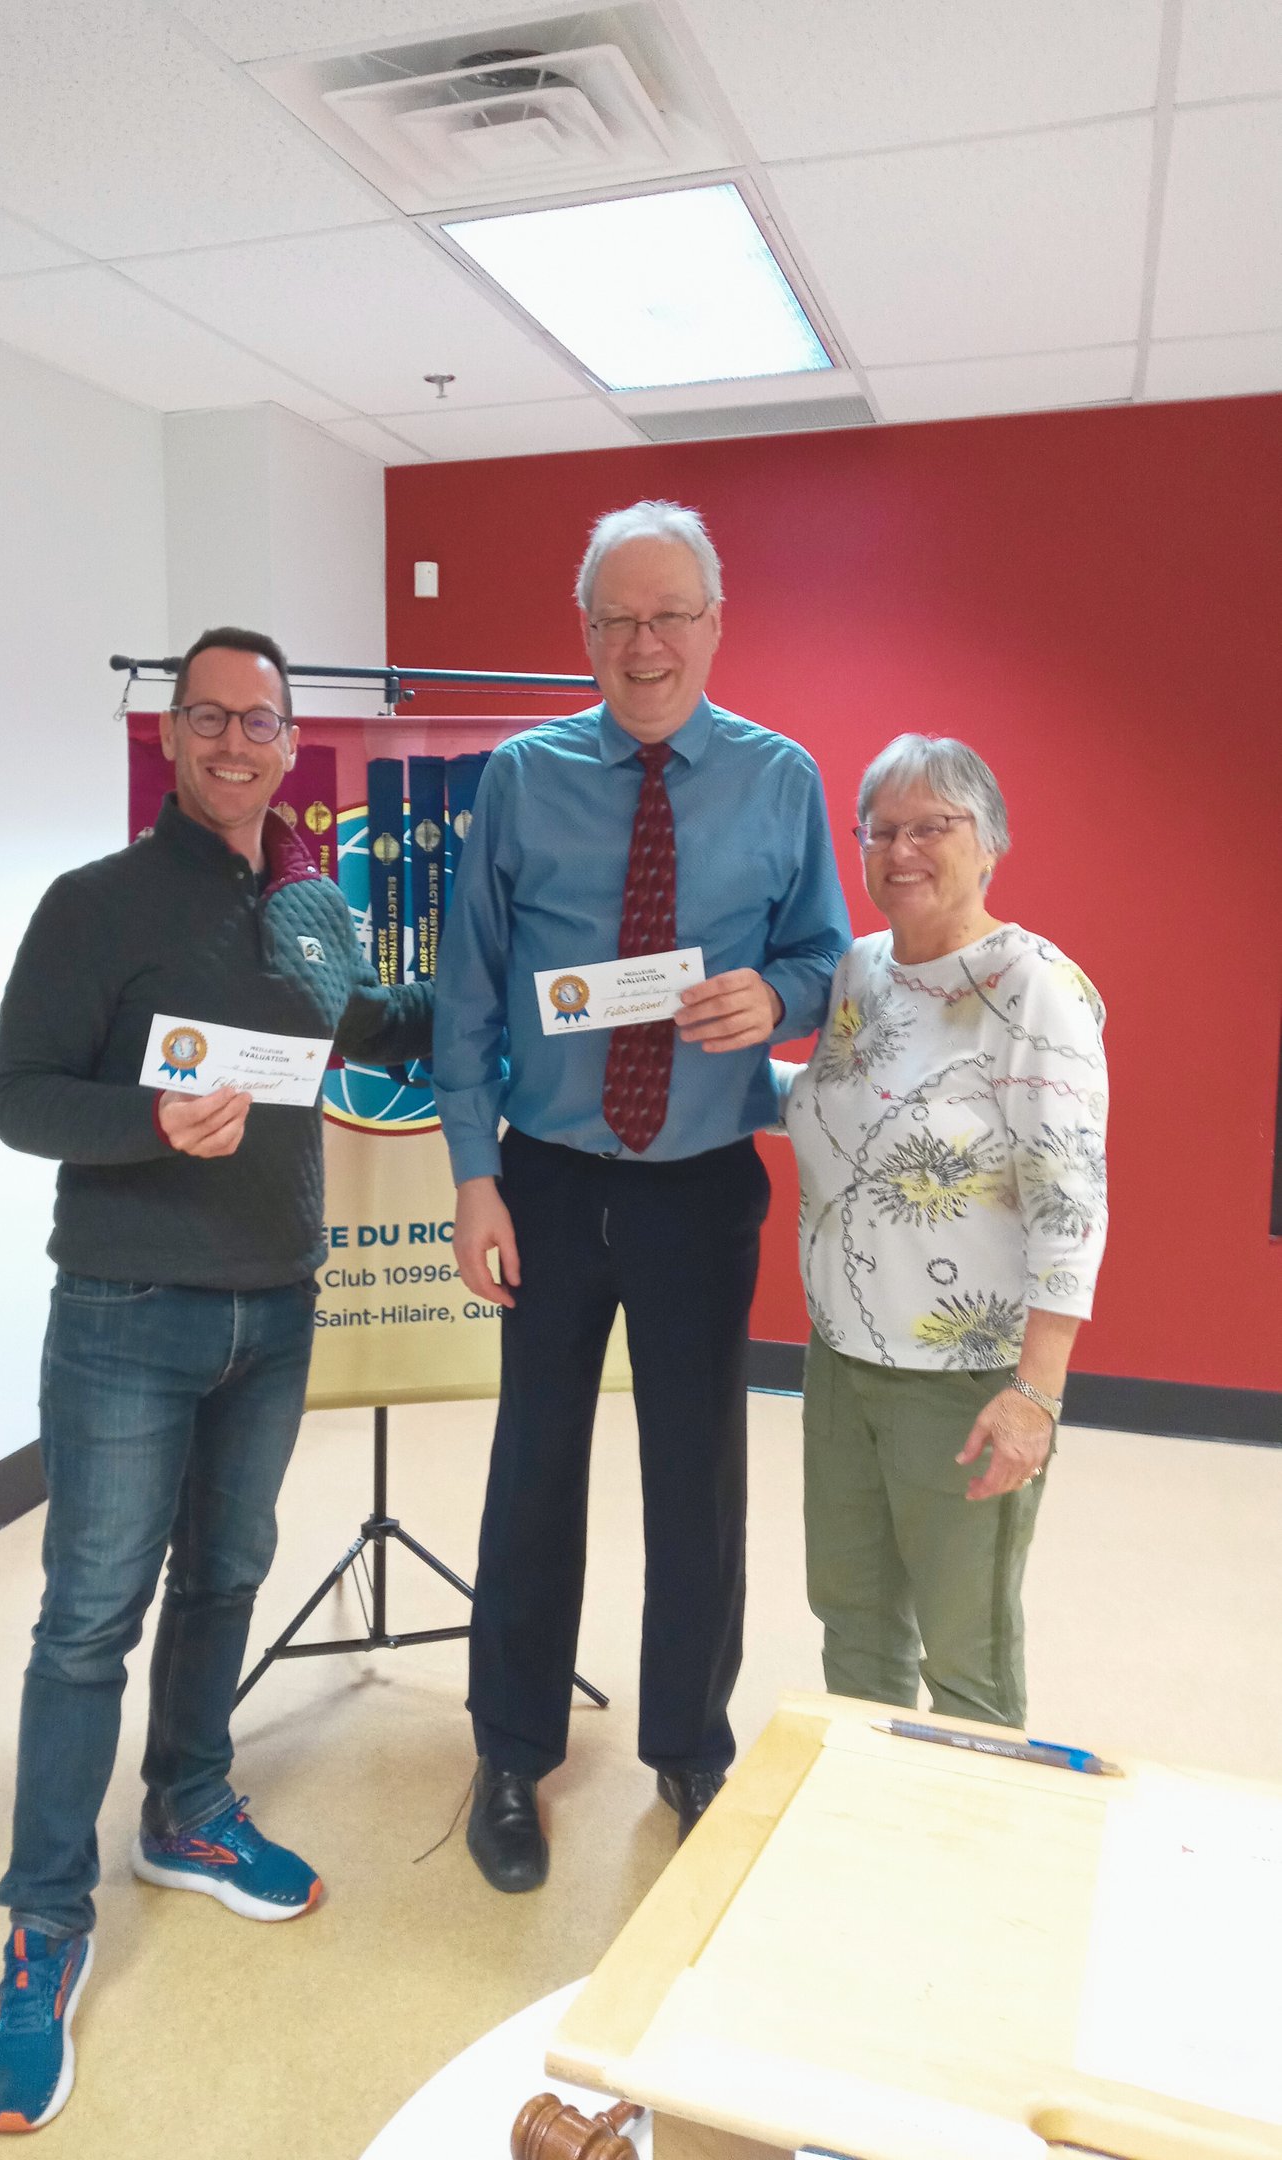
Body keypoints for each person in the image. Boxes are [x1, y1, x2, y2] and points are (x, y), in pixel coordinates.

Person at [0, 627, 431, 2133]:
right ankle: (45, 1925)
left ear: (295, 743)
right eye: (210, 716)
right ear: (171, 736)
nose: (238, 740)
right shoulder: (93, 907)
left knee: (228, 1572)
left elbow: (378, 1038)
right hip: (125, 1307)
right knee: (90, 1613)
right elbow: (18, 1098)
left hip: (273, 1312)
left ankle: (185, 1814)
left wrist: (474, 979)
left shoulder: (307, 905)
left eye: (262, 719)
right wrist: (148, 1127)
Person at [434, 500, 849, 1892]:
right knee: (531, 1470)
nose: (645, 642)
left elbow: (825, 958)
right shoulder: (519, 777)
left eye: (671, 614)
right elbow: (467, 989)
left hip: (698, 1187)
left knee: (697, 1473)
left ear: (716, 624)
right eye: (617, 618)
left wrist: (774, 996)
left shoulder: (780, 778)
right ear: (587, 633)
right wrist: (473, 1176)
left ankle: (689, 1743)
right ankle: (509, 1751)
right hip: (546, 1182)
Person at [775, 733, 1108, 1730]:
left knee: (968, 1658)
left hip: (967, 1381)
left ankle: (975, 1861)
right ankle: (870, 1835)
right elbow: (854, 1106)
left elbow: (1070, 1198)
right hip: (843, 1360)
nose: (903, 849)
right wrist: (696, 1071)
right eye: (883, 830)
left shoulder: (1033, 988)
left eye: (933, 826)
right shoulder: (860, 971)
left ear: (990, 842)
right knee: (855, 1621)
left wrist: (1034, 1395)